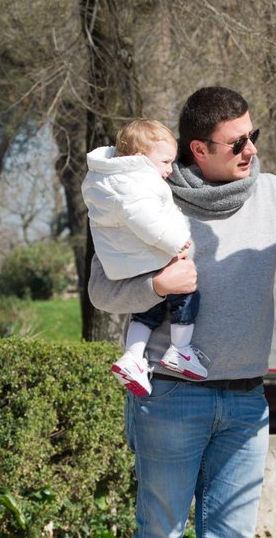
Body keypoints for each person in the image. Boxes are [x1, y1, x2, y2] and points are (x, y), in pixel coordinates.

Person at [88, 87, 276, 538]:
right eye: (237, 142)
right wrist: (157, 286)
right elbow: (102, 291)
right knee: (160, 532)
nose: (252, 149)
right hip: (171, 397)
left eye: (252, 136)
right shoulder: (145, 199)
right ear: (198, 149)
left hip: (247, 400)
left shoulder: (273, 195)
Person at [83, 119, 203, 395]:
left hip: (131, 261)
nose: (170, 169)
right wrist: (178, 242)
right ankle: (180, 350)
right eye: (165, 162)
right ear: (140, 158)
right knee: (186, 294)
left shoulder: (108, 179)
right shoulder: (136, 184)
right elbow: (148, 222)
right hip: (149, 255)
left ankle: (133, 357)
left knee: (149, 307)